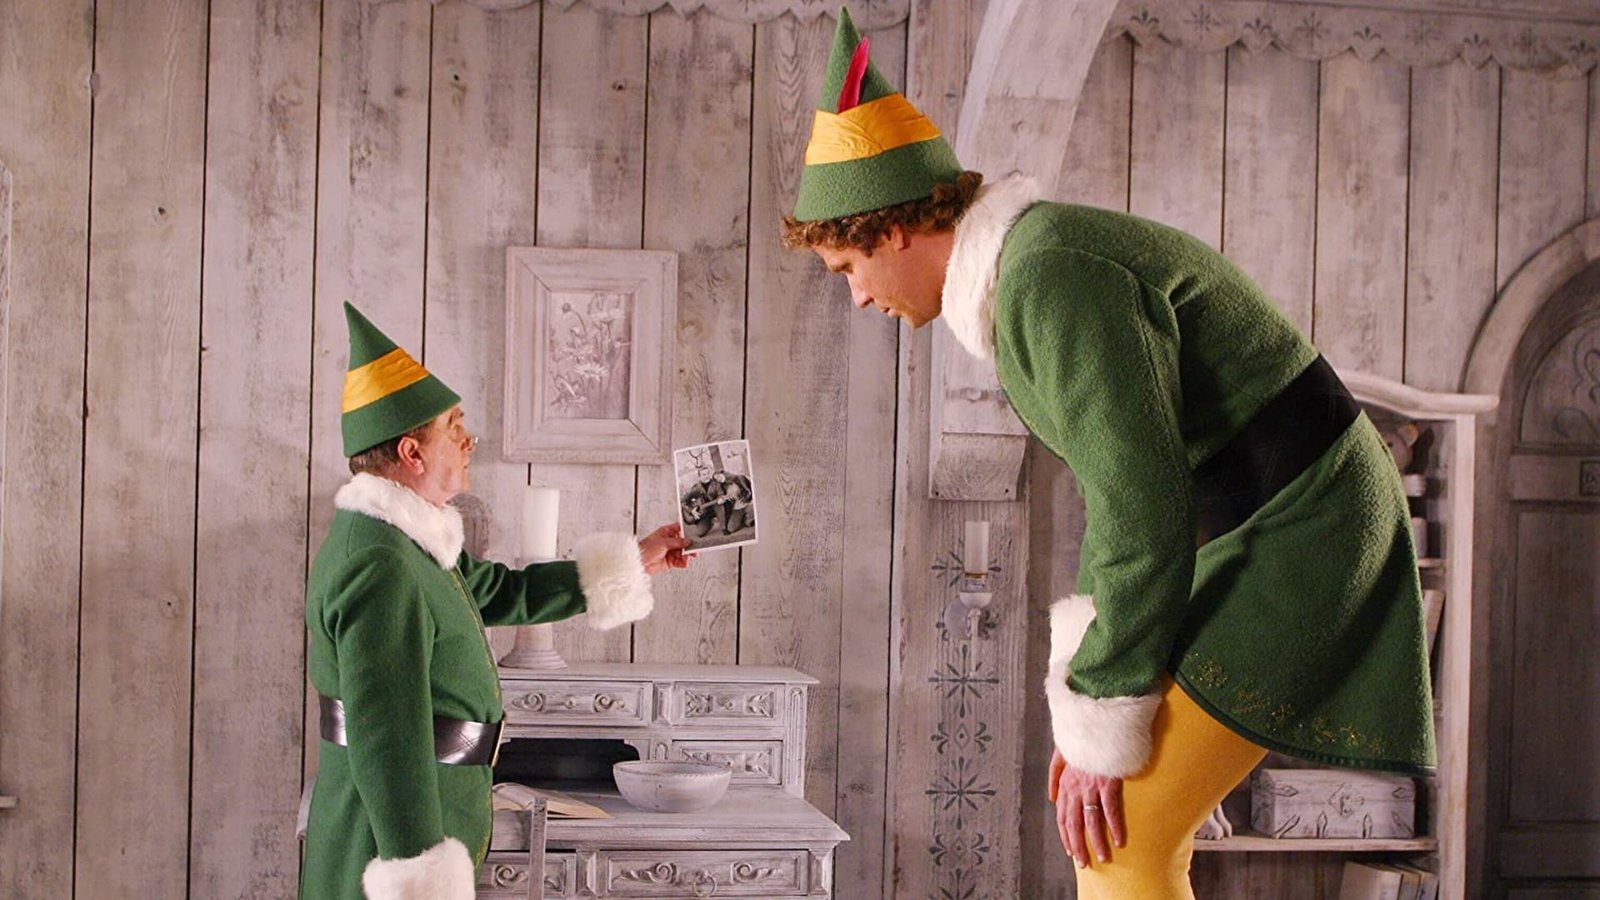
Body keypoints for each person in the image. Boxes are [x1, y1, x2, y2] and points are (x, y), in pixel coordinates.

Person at [782, 10, 1435, 898]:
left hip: (1302, 527)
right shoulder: (1030, 274)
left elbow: (1142, 506)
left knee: (1125, 839)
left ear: (891, 230)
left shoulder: (1051, 276)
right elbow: (1123, 493)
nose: (858, 299)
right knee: (1122, 834)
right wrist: (1094, 694)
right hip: (1263, 526)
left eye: (846, 270)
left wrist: (1106, 709)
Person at [300, 303, 694, 900]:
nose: (468, 440)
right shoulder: (382, 563)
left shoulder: (407, 541)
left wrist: (636, 559)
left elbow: (502, 592)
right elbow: (387, 736)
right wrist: (418, 871)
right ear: (412, 453)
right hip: (385, 845)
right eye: (453, 426)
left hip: (424, 819)